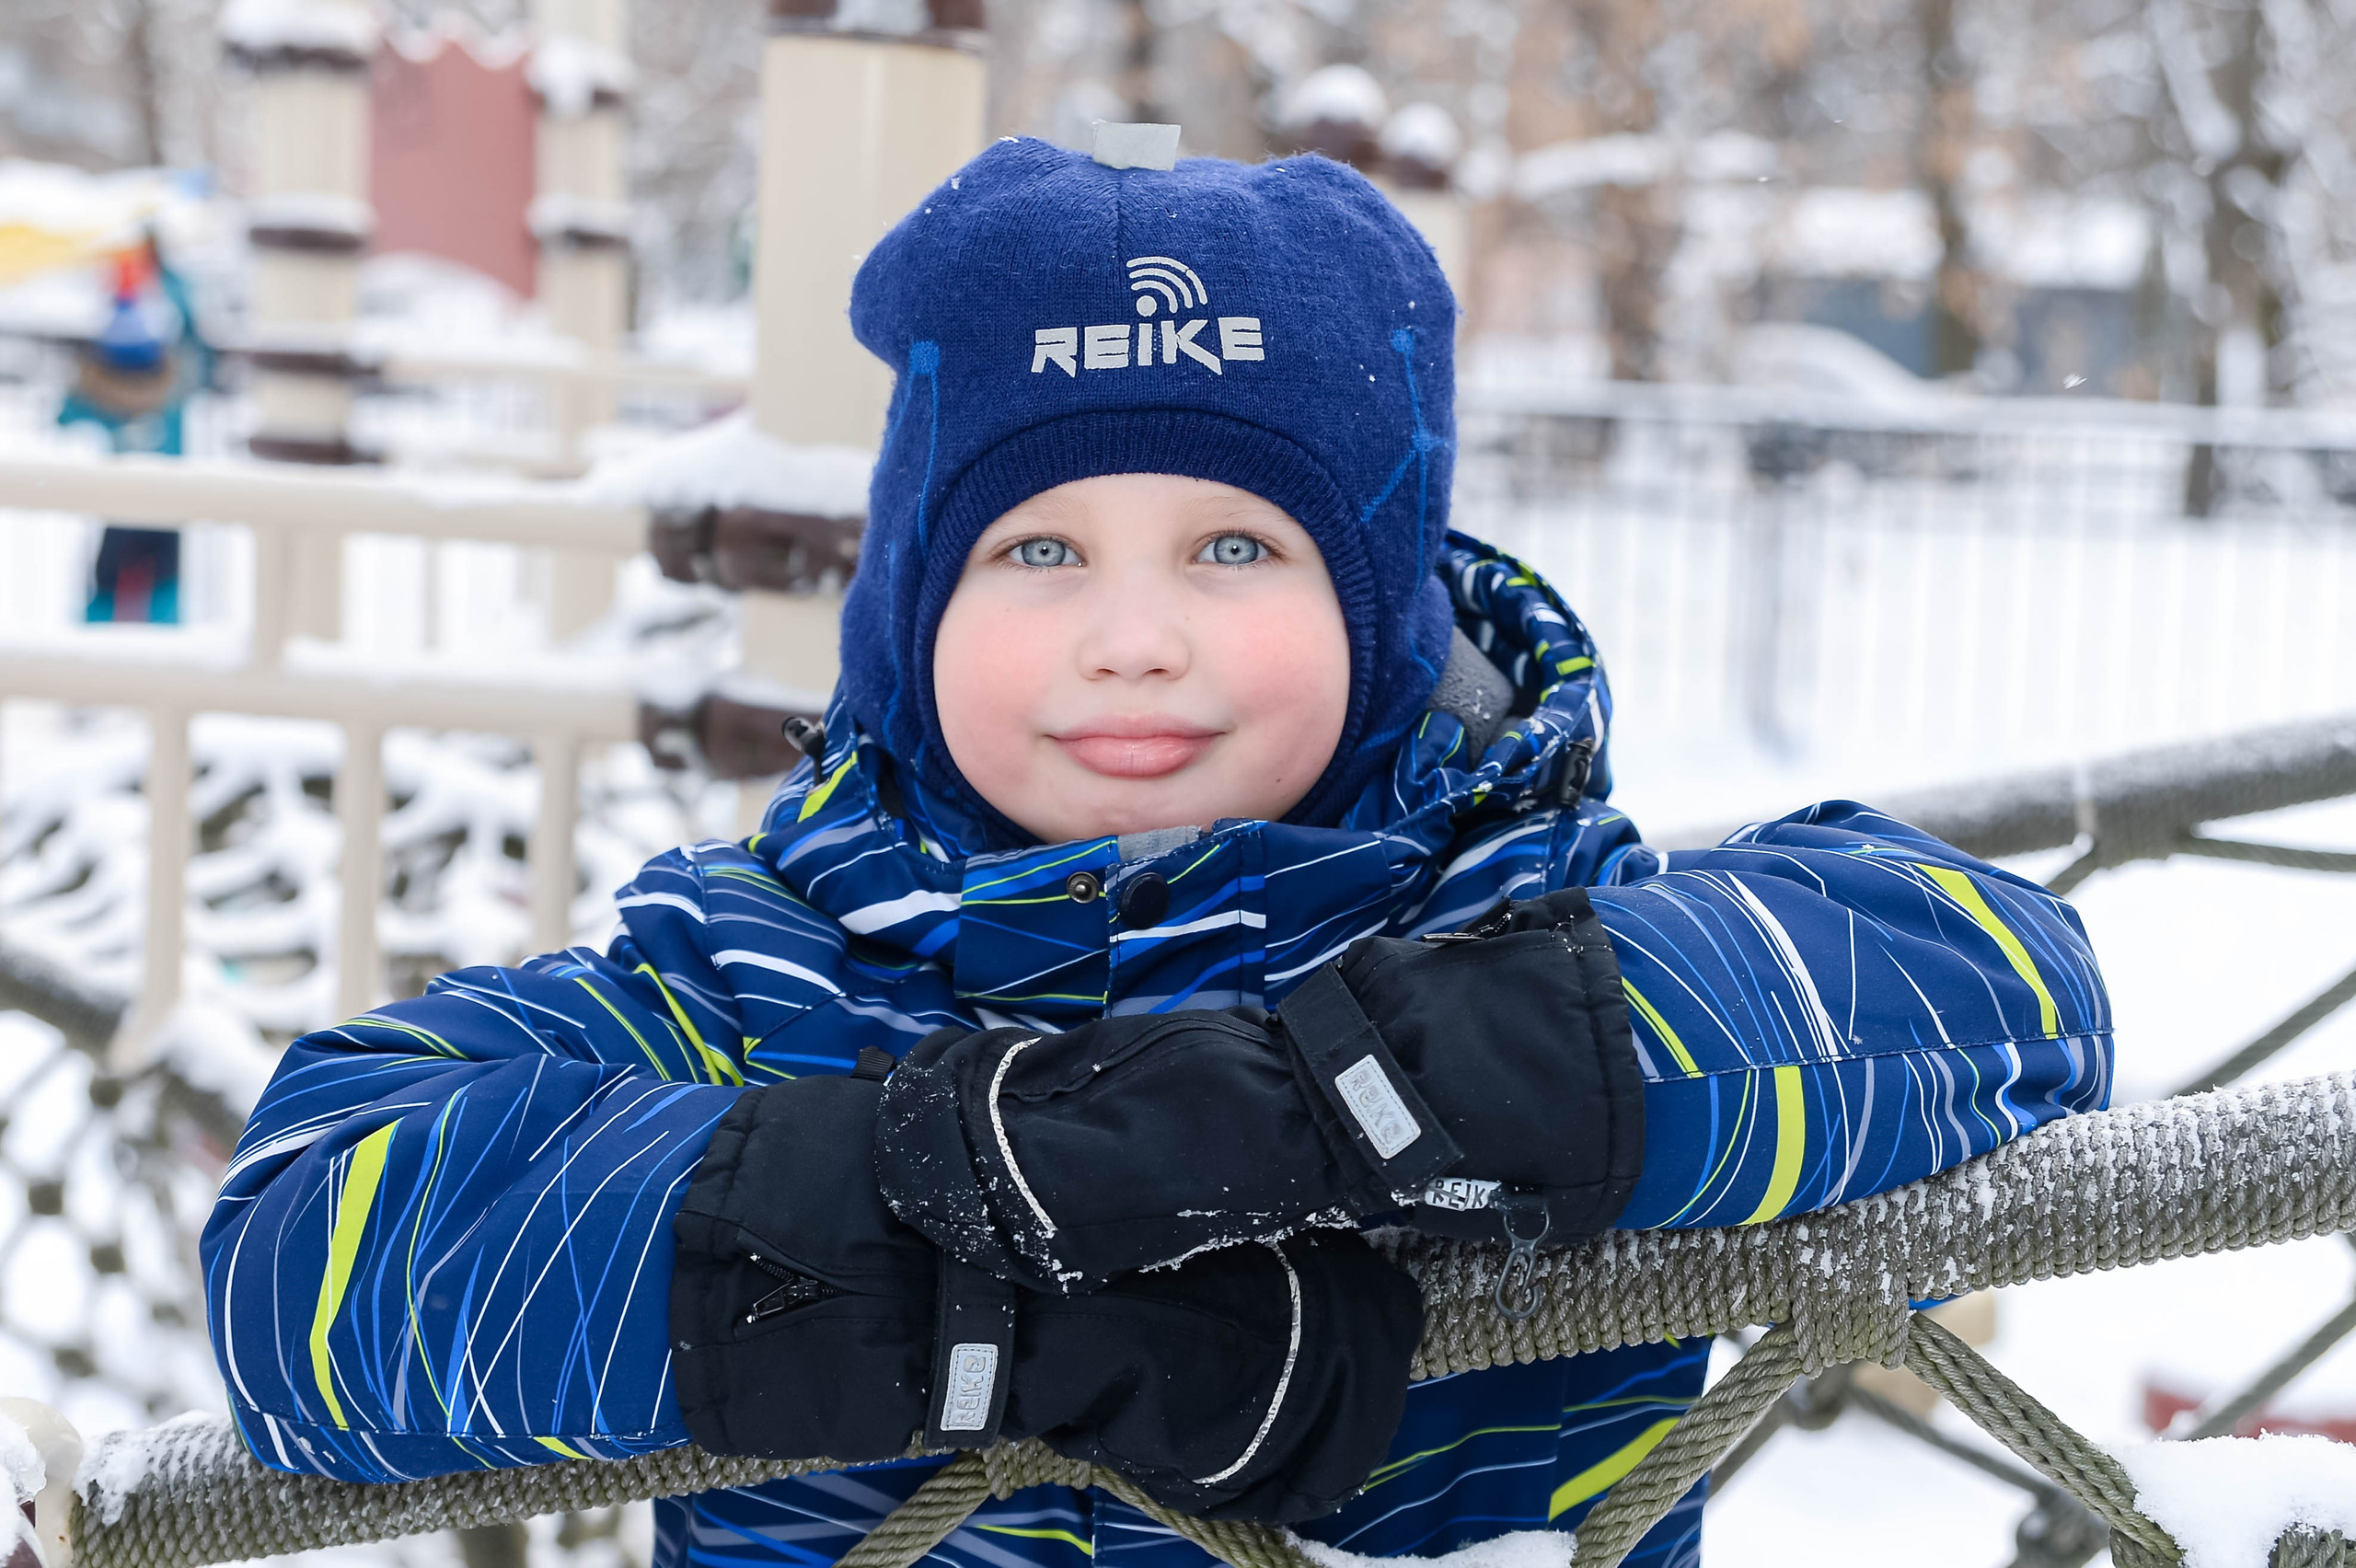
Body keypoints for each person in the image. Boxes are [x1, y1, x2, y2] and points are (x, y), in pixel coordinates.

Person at [202, 139, 2113, 1568]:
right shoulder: (765, 978)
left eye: (1235, 546)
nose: (1133, 636)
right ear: (908, 615)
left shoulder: (1517, 902)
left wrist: (1315, 1101)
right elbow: (304, 1258)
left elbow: (2003, 991)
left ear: (1381, 610)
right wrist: (973, 1250)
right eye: (1036, 549)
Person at [60, 252, 193, 624]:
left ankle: (95, 647)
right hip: (159, 514)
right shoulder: (172, 399)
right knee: (158, 606)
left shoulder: (100, 402)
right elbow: (192, 334)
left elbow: (64, 413)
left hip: (129, 515)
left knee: (114, 601)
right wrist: (165, 272)